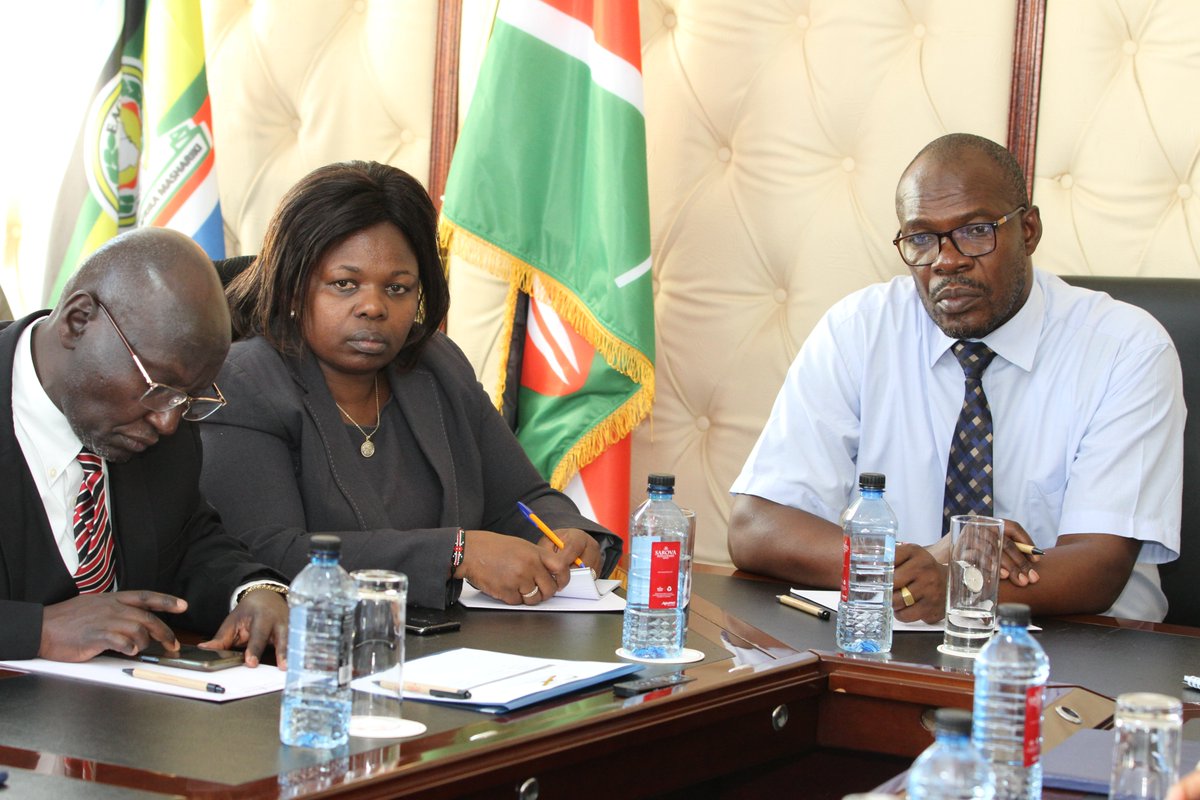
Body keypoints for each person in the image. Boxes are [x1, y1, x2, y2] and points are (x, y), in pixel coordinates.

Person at [728, 133, 1184, 623]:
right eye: (921, 238)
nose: (947, 260)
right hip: (897, 638)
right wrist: (916, 564)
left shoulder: (1126, 347)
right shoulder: (860, 328)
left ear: (1028, 230)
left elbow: (1098, 566)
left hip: (1081, 648)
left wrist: (955, 584)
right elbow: (755, 527)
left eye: (975, 231)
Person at [201, 160, 621, 609]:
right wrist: (456, 554)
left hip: (460, 647)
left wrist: (568, 534)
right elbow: (268, 552)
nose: (373, 307)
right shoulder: (243, 381)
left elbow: (521, 497)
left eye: (398, 288)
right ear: (291, 286)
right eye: (345, 284)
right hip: (316, 650)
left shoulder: (435, 365)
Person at [0, 227, 289, 664]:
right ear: (79, 320)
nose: (169, 421)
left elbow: (189, 541)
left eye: (188, 398)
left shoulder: (160, 418)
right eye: (160, 387)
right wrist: (35, 631)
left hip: (123, 717)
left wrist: (254, 592)